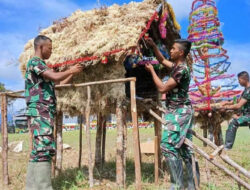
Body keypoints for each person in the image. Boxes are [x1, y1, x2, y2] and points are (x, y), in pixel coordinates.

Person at [25, 35, 83, 190]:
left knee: (40, 150)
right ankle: (43, 187)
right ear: (40, 47)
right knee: (43, 149)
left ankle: (32, 187)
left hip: (43, 112)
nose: (51, 51)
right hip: (39, 111)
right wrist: (70, 69)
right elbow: (54, 76)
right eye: (49, 48)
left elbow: (59, 82)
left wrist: (73, 72)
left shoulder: (42, 66)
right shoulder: (35, 62)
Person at [145, 38, 199, 190]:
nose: (171, 50)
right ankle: (192, 185)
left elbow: (162, 88)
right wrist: (154, 46)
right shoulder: (176, 66)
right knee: (184, 148)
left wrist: (152, 72)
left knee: (168, 146)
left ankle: (177, 185)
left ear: (181, 52)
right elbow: (162, 60)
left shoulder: (181, 70)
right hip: (179, 110)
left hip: (179, 112)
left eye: (173, 49)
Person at [220, 71, 250, 150]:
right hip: (246, 115)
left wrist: (226, 108)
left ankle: (227, 147)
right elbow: (237, 101)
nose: (238, 82)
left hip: (248, 116)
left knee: (233, 123)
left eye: (239, 80)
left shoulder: (248, 91)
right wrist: (227, 103)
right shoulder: (245, 90)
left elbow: (238, 105)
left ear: (245, 79)